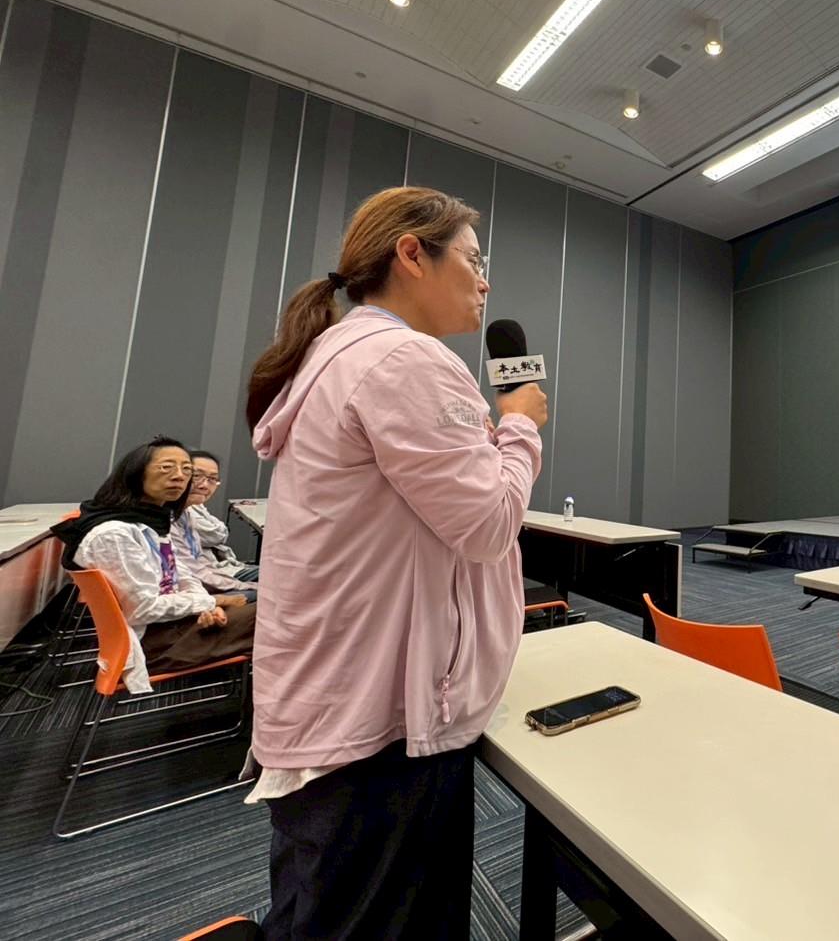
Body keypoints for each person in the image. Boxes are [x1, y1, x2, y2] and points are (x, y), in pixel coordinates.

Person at [243, 185, 547, 939]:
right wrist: (518, 427)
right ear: (412, 254)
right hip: (382, 727)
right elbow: (488, 525)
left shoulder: (342, 352)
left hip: (340, 701)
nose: (485, 284)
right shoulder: (404, 359)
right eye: (473, 261)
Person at [51, 436, 255, 693]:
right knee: (281, 612)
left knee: (274, 608)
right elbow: (142, 609)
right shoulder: (115, 534)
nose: (179, 476)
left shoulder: (149, 520)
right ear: (135, 474)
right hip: (154, 642)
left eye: (186, 470)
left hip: (176, 624)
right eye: (166, 467)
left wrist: (205, 604)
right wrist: (212, 602)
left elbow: (181, 574)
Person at [173, 449, 258, 601]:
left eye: (212, 479)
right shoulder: (167, 519)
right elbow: (195, 573)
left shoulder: (188, 513)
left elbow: (219, 534)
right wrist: (245, 586)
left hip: (209, 579)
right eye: (196, 476)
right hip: (191, 594)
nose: (204, 485)